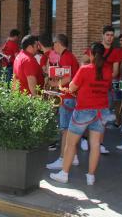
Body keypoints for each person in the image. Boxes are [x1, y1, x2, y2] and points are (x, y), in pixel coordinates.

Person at [50, 42, 112, 186]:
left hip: (84, 110)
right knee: (95, 145)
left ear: (90, 54)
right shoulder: (108, 71)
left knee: (71, 144)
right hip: (101, 111)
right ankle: (91, 177)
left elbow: (71, 88)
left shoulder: (85, 69)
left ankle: (64, 173)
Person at [81, 25, 122, 154]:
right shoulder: (95, 48)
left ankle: (100, 143)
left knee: (103, 117)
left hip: (106, 88)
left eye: (111, 35)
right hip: (92, 87)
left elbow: (115, 72)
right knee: (88, 114)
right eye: (107, 35)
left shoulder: (115, 52)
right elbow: (83, 62)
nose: (109, 37)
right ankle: (84, 138)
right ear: (103, 36)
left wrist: (104, 77)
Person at [46, 34, 80, 171]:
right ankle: (74, 157)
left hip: (67, 97)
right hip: (70, 97)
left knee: (65, 130)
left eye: (54, 43)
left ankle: (63, 158)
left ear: (59, 44)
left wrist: (54, 84)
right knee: (68, 129)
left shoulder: (66, 56)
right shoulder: (69, 56)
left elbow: (67, 78)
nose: (53, 46)